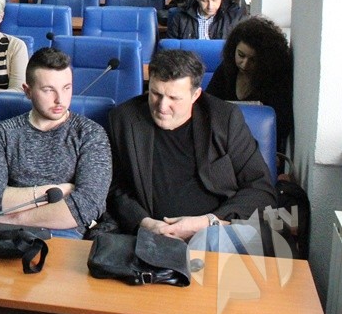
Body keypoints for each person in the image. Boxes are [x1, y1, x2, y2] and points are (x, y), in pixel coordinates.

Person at [107, 49, 277, 242]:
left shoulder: (224, 119)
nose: (162, 106)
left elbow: (261, 190)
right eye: (155, 93)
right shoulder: (124, 119)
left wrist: (208, 223)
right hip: (150, 239)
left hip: (217, 236)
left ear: (196, 95)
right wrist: (144, 223)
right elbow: (114, 188)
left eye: (174, 98)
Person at [0, 48, 112, 239]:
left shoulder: (90, 133)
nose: (60, 99)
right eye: (48, 90)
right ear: (27, 91)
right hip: (5, 234)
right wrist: (54, 192)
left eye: (66, 88)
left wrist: (13, 218)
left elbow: (88, 206)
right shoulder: (3, 133)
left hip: (62, 232)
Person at [206, 16, 293, 152]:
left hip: (258, 148)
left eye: (253, 60)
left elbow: (281, 126)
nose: (244, 64)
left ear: (266, 61)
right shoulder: (226, 69)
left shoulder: (275, 81)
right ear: (233, 49)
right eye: (241, 55)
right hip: (221, 144)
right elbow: (207, 105)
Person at [167, 0, 245, 40]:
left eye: (214, 0)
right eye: (205, 1)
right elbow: (172, 49)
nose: (210, 6)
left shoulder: (235, 17)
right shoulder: (180, 17)